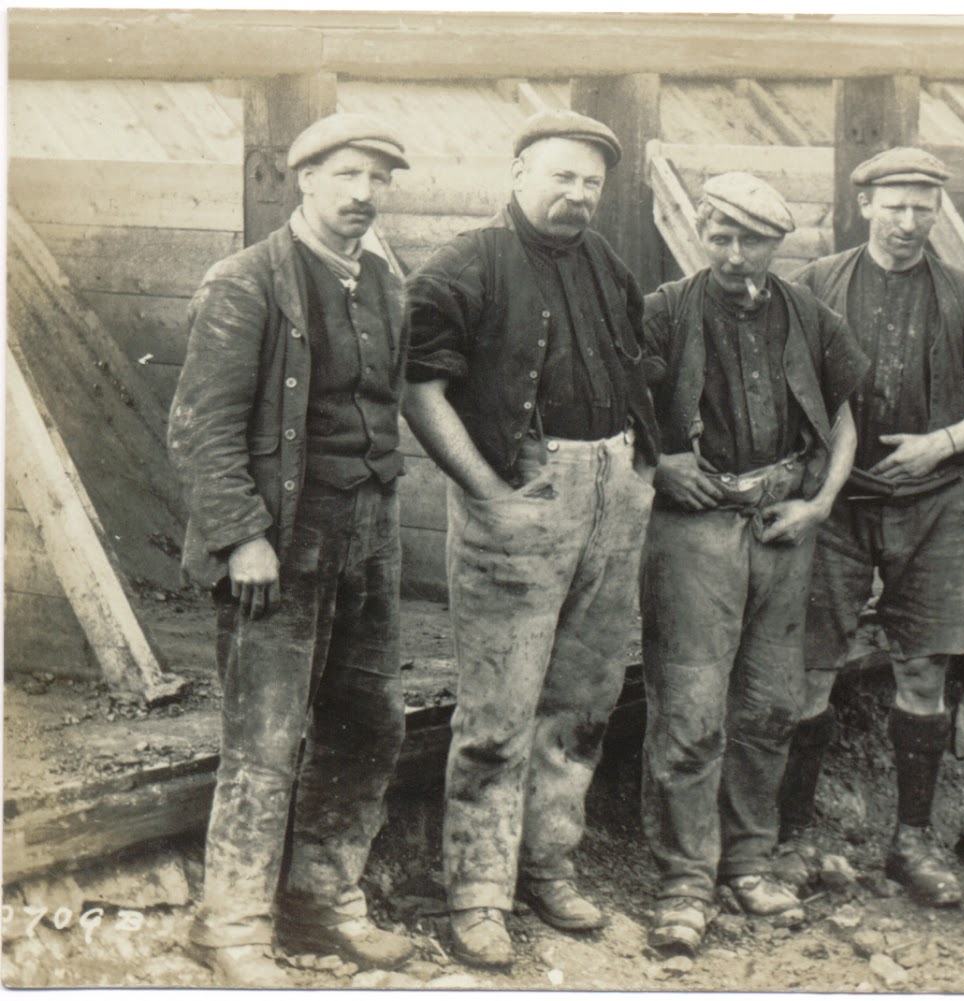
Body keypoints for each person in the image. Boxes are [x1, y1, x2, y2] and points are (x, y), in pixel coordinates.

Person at [403, 110, 660, 969]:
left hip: (611, 492)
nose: (577, 194)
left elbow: (640, 370)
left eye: (591, 182)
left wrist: (640, 474)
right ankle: (477, 892)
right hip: (520, 495)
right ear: (517, 173)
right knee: (498, 710)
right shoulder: (466, 263)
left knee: (583, 700)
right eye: (561, 176)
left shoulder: (606, 264)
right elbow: (420, 389)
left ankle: (549, 863)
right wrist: (487, 491)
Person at [168, 113, 416, 985]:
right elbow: (201, 427)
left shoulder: (384, 282)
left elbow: (382, 410)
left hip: (369, 535)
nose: (364, 194)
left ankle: (322, 896)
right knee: (266, 736)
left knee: (368, 722)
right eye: (348, 174)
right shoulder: (248, 283)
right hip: (281, 538)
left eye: (379, 179)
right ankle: (229, 923)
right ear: (303, 178)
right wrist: (243, 538)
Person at [780, 148, 964, 907]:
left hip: (933, 503)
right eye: (895, 204)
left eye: (924, 206)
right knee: (809, 670)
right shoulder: (815, 286)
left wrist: (943, 443)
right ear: (865, 205)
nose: (909, 220)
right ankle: (789, 836)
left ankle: (911, 840)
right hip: (837, 504)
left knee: (925, 670)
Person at [638, 172, 867, 954]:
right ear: (703, 234)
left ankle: (749, 859)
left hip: (783, 523)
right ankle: (683, 879)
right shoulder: (666, 310)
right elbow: (625, 409)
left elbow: (842, 418)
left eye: (753, 239)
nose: (735, 255)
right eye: (721, 236)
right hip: (697, 526)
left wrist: (820, 503)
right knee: (691, 706)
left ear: (780, 242)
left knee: (770, 703)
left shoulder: (809, 315)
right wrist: (662, 461)